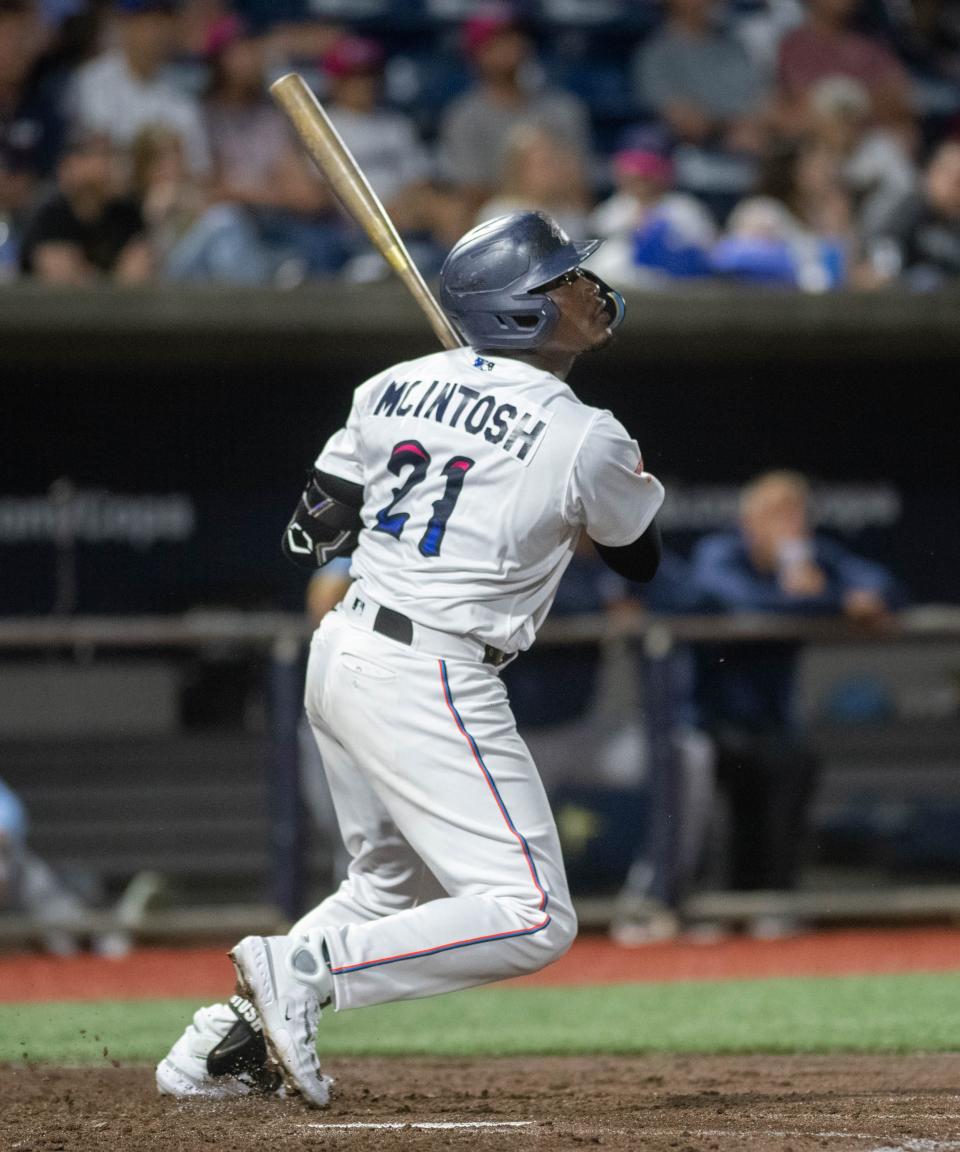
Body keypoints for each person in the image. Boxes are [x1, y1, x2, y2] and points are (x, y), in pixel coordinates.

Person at [155, 209, 665, 1105]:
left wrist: (451, 424)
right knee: (534, 917)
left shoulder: (388, 387)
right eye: (566, 279)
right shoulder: (588, 432)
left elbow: (311, 530)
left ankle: (215, 1048)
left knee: (387, 885)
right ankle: (301, 971)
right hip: (430, 670)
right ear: (524, 312)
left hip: (344, 649)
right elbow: (641, 557)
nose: (590, 287)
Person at [689, 470, 902, 932]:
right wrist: (831, 599)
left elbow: (882, 586)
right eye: (775, 516)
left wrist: (829, 588)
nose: (789, 527)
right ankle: (709, 911)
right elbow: (749, 602)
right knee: (725, 789)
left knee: (792, 766)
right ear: (749, 520)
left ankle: (773, 904)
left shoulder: (808, 556)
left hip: (771, 725)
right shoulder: (719, 553)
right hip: (705, 722)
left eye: (795, 516)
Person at [435, 7, 592, 216]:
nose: (510, 46)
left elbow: (579, 187)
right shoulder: (465, 116)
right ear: (477, 51)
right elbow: (472, 194)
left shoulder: (563, 108)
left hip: (563, 218)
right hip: (498, 222)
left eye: (516, 36)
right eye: (497, 40)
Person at [68, 0, 210, 178]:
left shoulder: (182, 93)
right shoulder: (92, 81)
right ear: (124, 23)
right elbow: (96, 159)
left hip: (167, 198)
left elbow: (200, 170)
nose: (158, 31)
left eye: (165, 19)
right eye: (147, 19)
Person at [19, 127, 152, 283]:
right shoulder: (51, 214)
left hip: (121, 306)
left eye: (112, 156)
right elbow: (63, 283)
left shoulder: (128, 213)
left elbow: (137, 277)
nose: (113, 166)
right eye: (103, 156)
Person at [869, 138, 960, 289]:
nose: (955, 189)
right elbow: (883, 255)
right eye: (953, 179)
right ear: (932, 174)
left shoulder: (955, 221)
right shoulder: (909, 210)